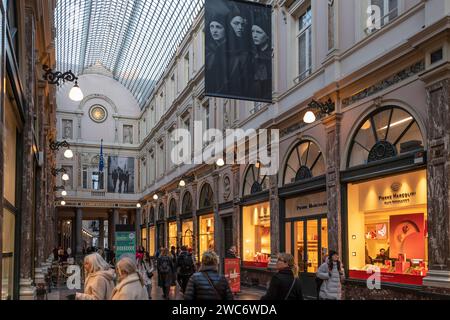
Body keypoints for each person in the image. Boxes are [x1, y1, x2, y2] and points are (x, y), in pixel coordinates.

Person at [205, 15, 228, 94]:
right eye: (212, 27)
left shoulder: (230, 50)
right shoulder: (210, 52)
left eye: (218, 27)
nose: (214, 31)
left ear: (226, 29)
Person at [251, 18, 272, 99]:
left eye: (259, 32)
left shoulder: (270, 54)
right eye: (253, 31)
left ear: (267, 36)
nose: (254, 35)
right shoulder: (251, 56)